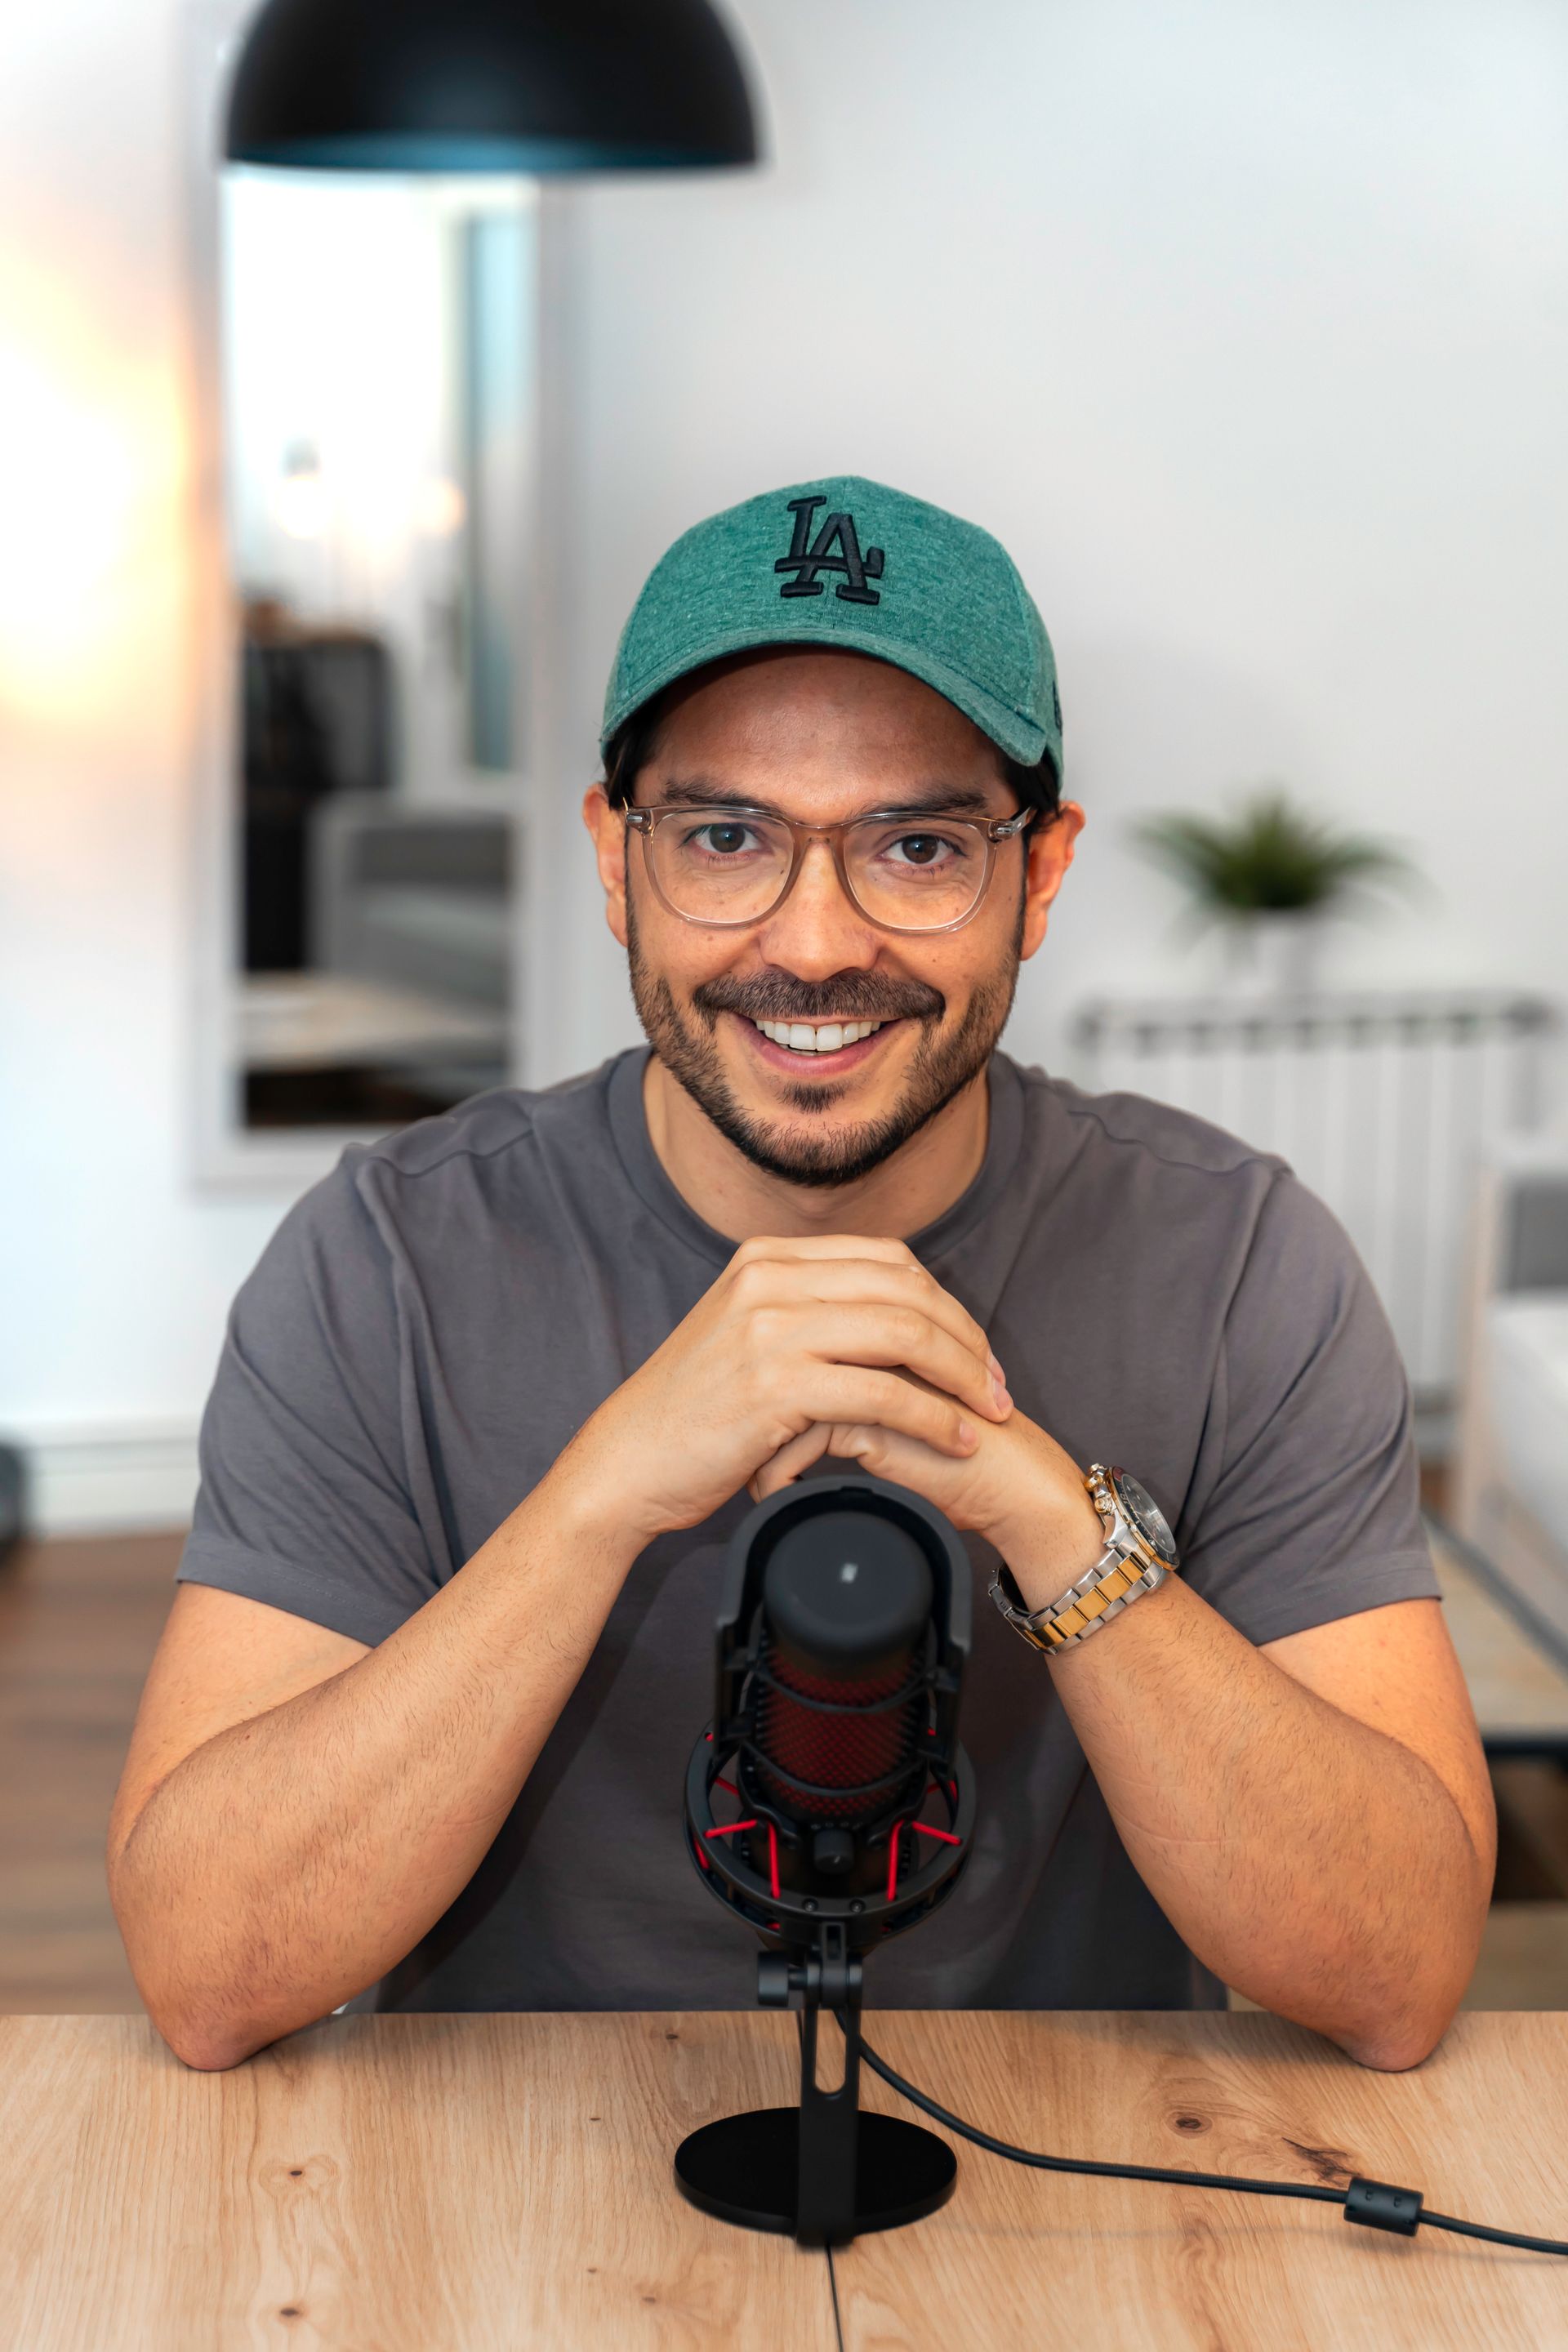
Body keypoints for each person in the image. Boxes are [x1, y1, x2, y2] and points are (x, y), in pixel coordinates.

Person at [109, 477, 1493, 2073]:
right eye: (723, 837)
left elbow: (1396, 1972)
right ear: (614, 862)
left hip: (1088, 2213)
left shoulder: (1240, 1262)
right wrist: (600, 1497)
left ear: (1040, 875)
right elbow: (207, 1971)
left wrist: (1044, 1510)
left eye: (915, 844)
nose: (817, 942)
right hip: (511, 2207)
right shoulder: (389, 1261)